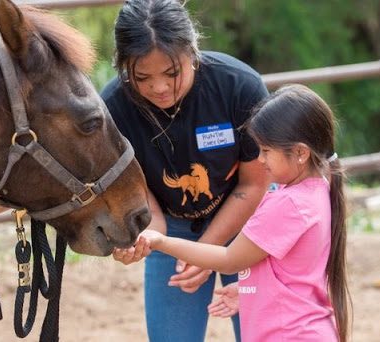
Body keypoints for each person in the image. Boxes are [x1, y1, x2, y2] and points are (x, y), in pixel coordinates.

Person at [100, 0, 269, 340]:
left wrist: (207, 251)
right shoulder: (114, 107)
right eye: (142, 77)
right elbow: (137, 187)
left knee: (262, 332)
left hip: (250, 221)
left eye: (172, 73)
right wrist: (151, 236)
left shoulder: (239, 86)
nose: (159, 88)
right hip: (172, 225)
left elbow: (254, 184)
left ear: (192, 51)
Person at [141, 84, 352, 342]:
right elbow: (295, 273)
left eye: (266, 151)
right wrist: (249, 290)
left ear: (300, 153)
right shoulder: (318, 191)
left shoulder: (288, 204)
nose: (260, 160)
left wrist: (162, 242)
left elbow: (230, 258)